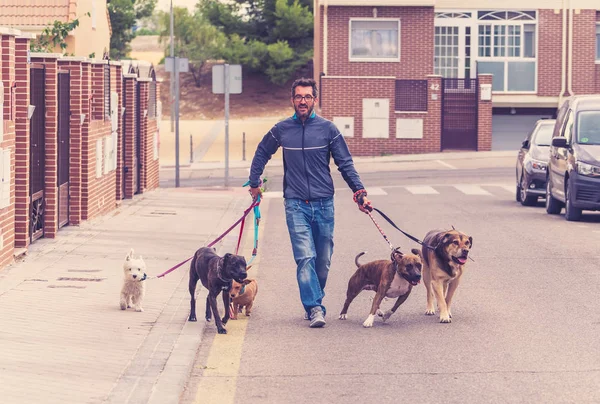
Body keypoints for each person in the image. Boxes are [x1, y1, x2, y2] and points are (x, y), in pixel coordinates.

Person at [248, 77, 371, 328]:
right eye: (298, 97)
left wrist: (359, 191)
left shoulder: (328, 130)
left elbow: (345, 163)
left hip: (324, 203)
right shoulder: (281, 129)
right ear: (292, 100)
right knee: (305, 257)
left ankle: (314, 297)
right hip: (295, 203)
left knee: (322, 261)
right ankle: (315, 306)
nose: (302, 101)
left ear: (315, 100)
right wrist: (254, 182)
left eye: (307, 97)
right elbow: (262, 152)